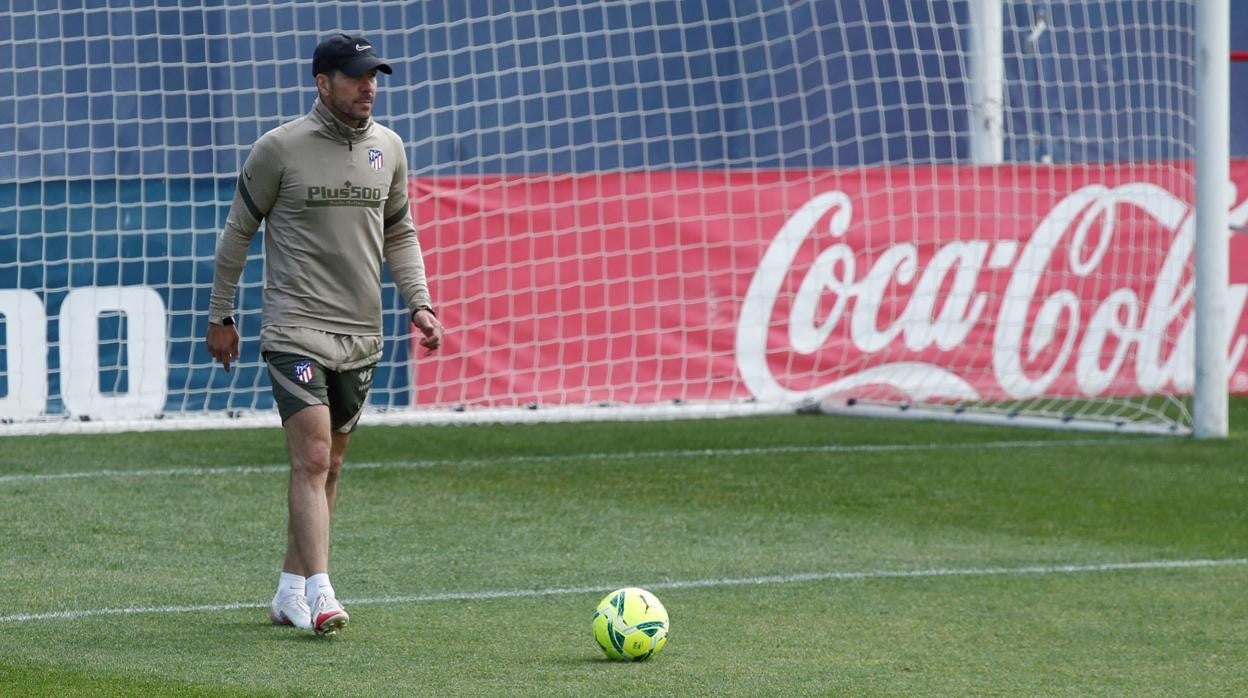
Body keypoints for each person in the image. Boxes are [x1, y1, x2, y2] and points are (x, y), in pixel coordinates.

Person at [205, 33, 444, 636]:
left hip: (362, 332)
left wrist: (419, 303)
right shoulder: (278, 148)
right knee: (312, 454)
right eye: (357, 76)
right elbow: (238, 232)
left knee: (330, 465)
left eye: (375, 77)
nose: (369, 87)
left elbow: (400, 231)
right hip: (293, 327)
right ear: (322, 83)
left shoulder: (388, 148)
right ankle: (322, 592)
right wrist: (221, 315)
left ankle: (288, 591)